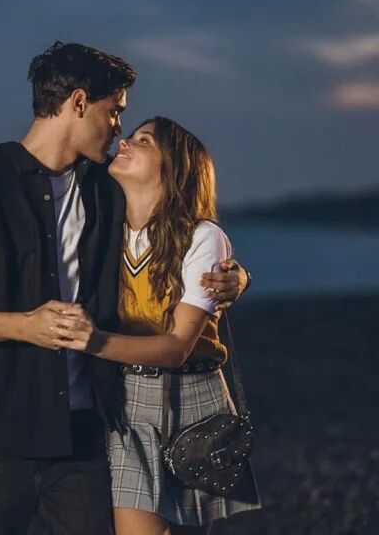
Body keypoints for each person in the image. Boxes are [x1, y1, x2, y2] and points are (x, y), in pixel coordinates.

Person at [0, 42, 250, 535]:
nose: (118, 129)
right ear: (80, 103)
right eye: (115, 113)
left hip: (88, 434)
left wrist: (234, 277)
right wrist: (22, 326)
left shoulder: (106, 187)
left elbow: (175, 229)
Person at [54, 116, 262, 534]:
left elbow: (177, 346)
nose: (125, 143)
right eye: (129, 136)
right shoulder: (107, 230)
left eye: (143, 140)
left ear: (174, 167)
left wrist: (91, 341)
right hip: (128, 400)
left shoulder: (202, 237)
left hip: (194, 400)